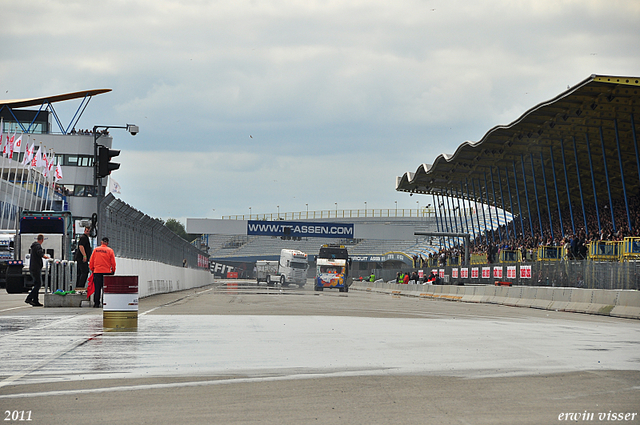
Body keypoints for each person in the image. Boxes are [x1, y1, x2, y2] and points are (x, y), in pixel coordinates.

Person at [89, 237, 116, 308]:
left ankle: (96, 303)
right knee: (105, 289)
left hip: (97, 272)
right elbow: (113, 262)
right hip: (107, 272)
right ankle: (105, 303)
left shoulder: (96, 250)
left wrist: (92, 269)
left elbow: (91, 261)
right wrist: (113, 270)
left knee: (97, 288)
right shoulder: (110, 250)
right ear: (107, 243)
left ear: (101, 242)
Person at [25, 234, 49, 307]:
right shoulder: (38, 246)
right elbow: (40, 253)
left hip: (33, 267)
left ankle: (35, 301)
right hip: (36, 268)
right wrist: (46, 257)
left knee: (36, 284)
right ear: (42, 240)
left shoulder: (34, 246)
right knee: (38, 284)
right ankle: (29, 298)